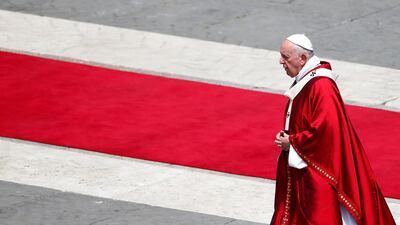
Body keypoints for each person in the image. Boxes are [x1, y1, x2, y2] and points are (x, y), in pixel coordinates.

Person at [271, 34, 396, 225]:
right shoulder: (305, 78)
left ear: (302, 59)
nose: (281, 61)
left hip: (318, 172)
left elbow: (327, 131)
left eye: (285, 57)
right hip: (304, 167)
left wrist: (293, 142)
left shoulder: (322, 86)